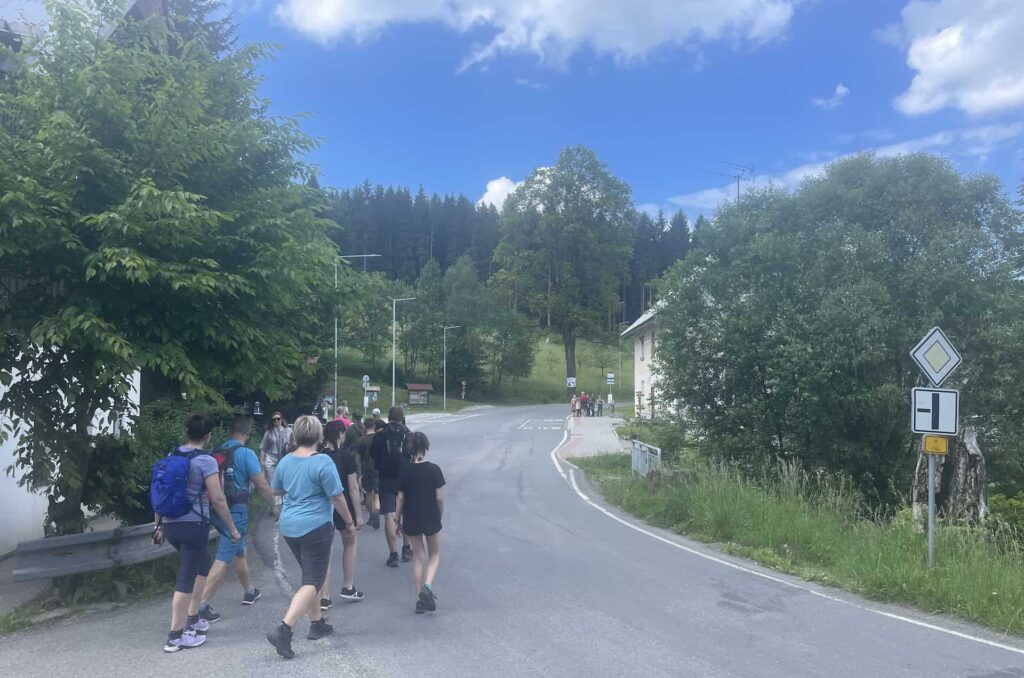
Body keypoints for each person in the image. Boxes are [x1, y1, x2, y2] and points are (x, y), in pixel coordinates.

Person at [267, 416, 356, 660]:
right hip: (315, 526)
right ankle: (284, 629)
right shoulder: (323, 461)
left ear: (296, 435)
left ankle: (317, 623)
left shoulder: (286, 461)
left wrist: (296, 485)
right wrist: (349, 523)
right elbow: (336, 496)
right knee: (314, 580)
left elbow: (276, 488)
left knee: (310, 576)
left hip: (289, 526)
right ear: (319, 436)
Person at [154, 413, 241, 653]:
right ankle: (175, 636)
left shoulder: (172, 455)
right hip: (194, 525)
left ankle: (192, 618)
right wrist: (232, 528)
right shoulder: (206, 461)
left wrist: (158, 525)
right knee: (186, 578)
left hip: (171, 524)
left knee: (203, 566)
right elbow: (218, 498)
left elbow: (161, 493)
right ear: (208, 436)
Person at [197, 416, 279, 623]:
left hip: (215, 508)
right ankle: (199, 606)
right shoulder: (246, 454)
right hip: (236, 511)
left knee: (239, 549)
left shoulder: (218, 450)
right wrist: (274, 505)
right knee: (223, 557)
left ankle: (249, 591)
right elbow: (261, 484)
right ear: (247, 433)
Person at [396, 431, 445, 614]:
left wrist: (396, 520)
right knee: (434, 555)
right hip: (430, 515)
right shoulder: (434, 470)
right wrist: (439, 514)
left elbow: (400, 498)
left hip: (411, 517)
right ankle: (428, 586)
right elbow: (439, 497)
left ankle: (419, 599)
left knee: (419, 557)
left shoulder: (404, 471)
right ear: (425, 447)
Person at [318, 422, 365, 610]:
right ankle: (348, 586)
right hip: (345, 506)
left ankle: (324, 596)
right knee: (350, 543)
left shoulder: (319, 457)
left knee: (326, 552)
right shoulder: (347, 457)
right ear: (340, 434)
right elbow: (353, 487)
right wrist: (358, 516)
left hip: (325, 506)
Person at [370, 406, 413, 567]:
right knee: (406, 512)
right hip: (406, 477)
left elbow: (373, 455)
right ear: (402, 418)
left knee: (389, 514)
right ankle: (407, 548)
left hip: (386, 478)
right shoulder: (409, 434)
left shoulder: (380, 435)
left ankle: (393, 554)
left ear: (388, 418)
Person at [356, 417, 382, 529]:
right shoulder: (379, 438)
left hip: (366, 468)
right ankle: (377, 511)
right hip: (378, 467)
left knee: (368, 492)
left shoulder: (360, 440)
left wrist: (358, 471)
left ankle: (372, 513)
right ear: (374, 426)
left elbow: (358, 457)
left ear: (365, 426)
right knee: (377, 492)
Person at [261, 412, 290, 498]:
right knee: (271, 480)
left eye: (278, 419)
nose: (276, 421)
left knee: (284, 479)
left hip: (283, 457)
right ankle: (274, 502)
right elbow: (263, 448)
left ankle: (284, 500)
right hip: (270, 457)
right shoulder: (268, 433)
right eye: (274, 419)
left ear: (282, 419)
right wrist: (262, 460)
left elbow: (293, 444)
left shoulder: (288, 431)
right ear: (272, 421)